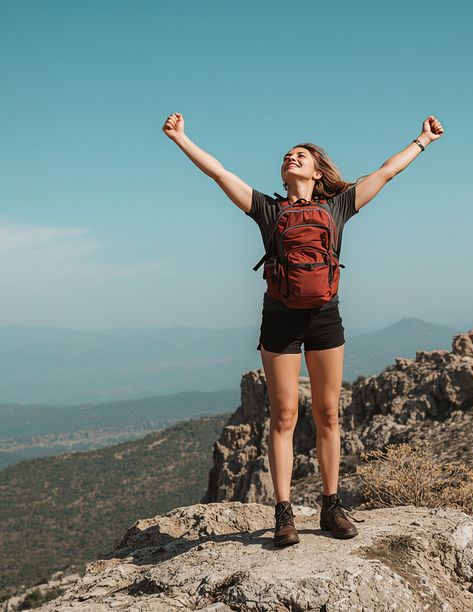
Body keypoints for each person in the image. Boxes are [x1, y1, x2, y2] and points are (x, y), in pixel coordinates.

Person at [162, 113, 444, 547]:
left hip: (325, 315)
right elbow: (218, 172)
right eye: (287, 156)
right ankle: (284, 514)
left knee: (329, 414)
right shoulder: (267, 209)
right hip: (279, 317)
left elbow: (386, 172)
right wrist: (181, 138)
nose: (291, 158)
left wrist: (422, 140)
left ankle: (331, 507)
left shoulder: (338, 206)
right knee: (284, 416)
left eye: (301, 156)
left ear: (317, 171)